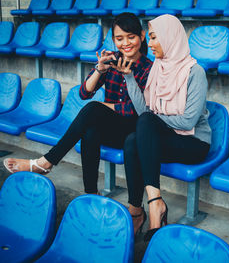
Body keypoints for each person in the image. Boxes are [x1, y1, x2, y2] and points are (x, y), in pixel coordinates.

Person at [3, 13, 152, 206]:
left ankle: (46, 162)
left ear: (141, 36)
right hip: (114, 129)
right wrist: (99, 70)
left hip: (135, 133)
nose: (125, 43)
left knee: (93, 110)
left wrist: (101, 106)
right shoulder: (112, 60)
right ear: (114, 40)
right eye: (119, 38)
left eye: (131, 37)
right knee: (89, 129)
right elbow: (84, 93)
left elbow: (135, 111)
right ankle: (91, 193)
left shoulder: (149, 69)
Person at [113, 14, 211, 241]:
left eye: (155, 38)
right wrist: (129, 78)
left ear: (170, 38)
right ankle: (138, 209)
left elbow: (188, 122)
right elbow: (143, 111)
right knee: (131, 140)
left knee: (145, 123)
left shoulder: (195, 72)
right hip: (168, 136)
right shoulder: (158, 68)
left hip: (194, 142)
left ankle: (154, 205)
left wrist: (153, 117)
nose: (150, 43)